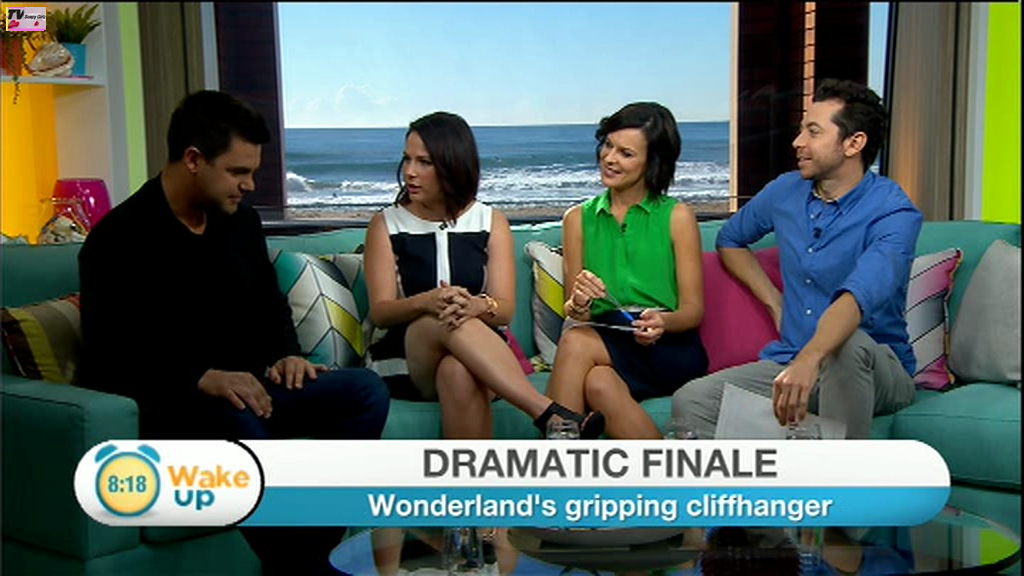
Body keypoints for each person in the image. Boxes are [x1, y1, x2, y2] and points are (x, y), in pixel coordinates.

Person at [78, 90, 391, 576]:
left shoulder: (239, 221)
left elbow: (270, 304)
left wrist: (287, 354)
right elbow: (110, 357)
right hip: (176, 404)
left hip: (253, 390)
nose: (250, 185)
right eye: (238, 172)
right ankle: (306, 566)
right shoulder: (118, 240)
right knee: (235, 416)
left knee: (364, 392)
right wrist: (201, 377)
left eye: (253, 172)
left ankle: (303, 560)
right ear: (193, 160)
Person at [672, 79, 922, 440]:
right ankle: (786, 464)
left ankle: (839, 473)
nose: (798, 142)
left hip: (876, 368)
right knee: (693, 401)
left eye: (813, 132)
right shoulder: (785, 191)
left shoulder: (893, 211)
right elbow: (731, 239)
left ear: (854, 143)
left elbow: (858, 296)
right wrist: (774, 301)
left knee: (848, 346)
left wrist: (811, 357)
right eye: (802, 129)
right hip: (792, 359)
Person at [362, 110, 604, 440]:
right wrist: (428, 301)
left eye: (424, 162)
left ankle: (475, 476)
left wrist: (477, 306)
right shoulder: (386, 224)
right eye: (407, 159)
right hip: (407, 357)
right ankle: (546, 411)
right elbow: (381, 312)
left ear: (452, 164)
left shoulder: (490, 221)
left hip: (482, 357)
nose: (410, 172)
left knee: (457, 371)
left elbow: (505, 309)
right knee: (441, 317)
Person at [541, 102, 709, 440]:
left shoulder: (677, 217)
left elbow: (693, 311)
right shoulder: (577, 219)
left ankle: (552, 460)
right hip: (606, 334)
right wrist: (580, 301)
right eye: (608, 145)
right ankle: (667, 470)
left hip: (667, 344)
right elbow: (575, 311)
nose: (609, 158)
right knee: (598, 381)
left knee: (575, 342)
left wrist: (663, 322)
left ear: (652, 161)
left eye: (626, 153)